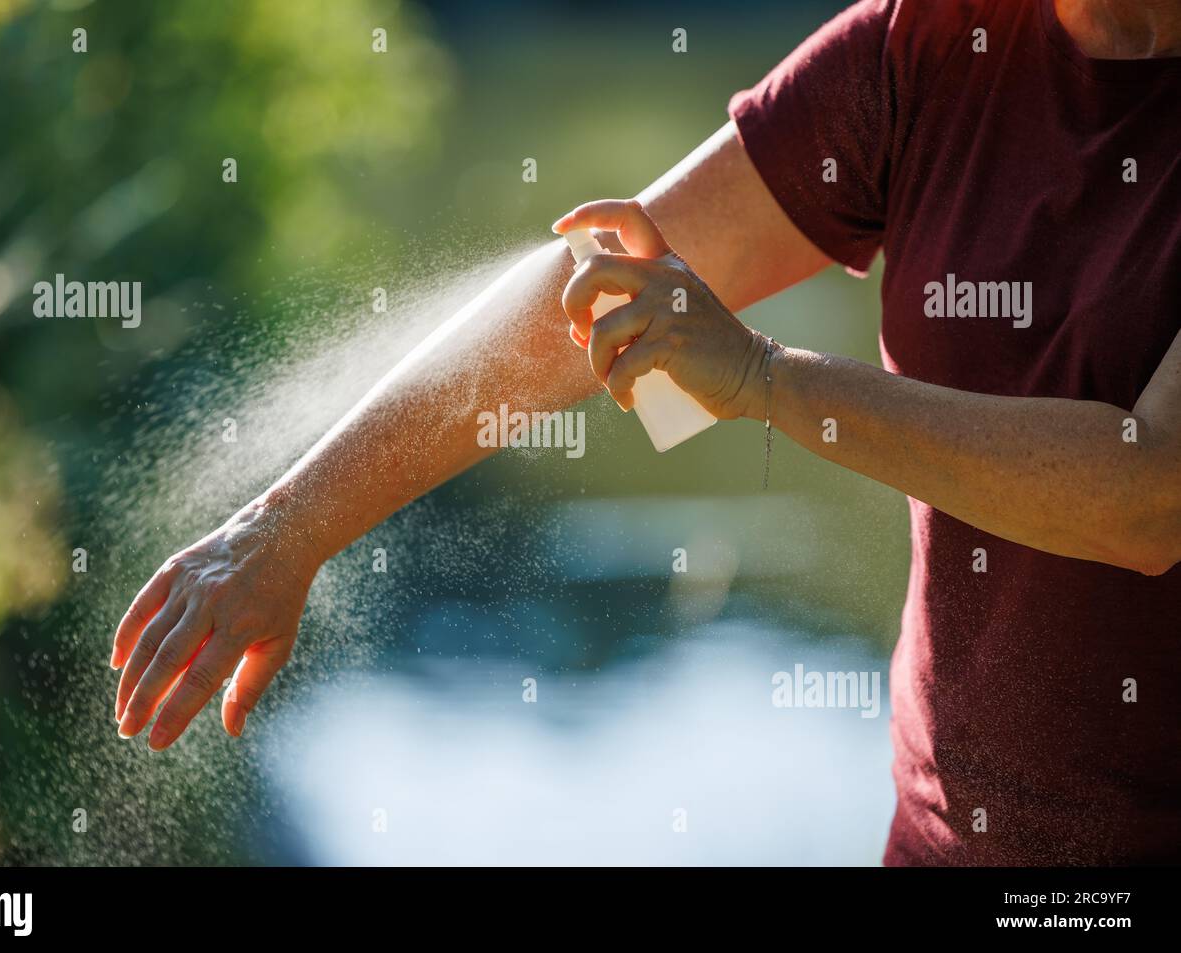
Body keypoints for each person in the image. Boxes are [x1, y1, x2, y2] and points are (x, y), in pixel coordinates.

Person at [109, 0, 1180, 865]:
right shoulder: (927, 46)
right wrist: (284, 529)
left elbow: (1149, 493)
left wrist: (763, 378)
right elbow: (596, 296)